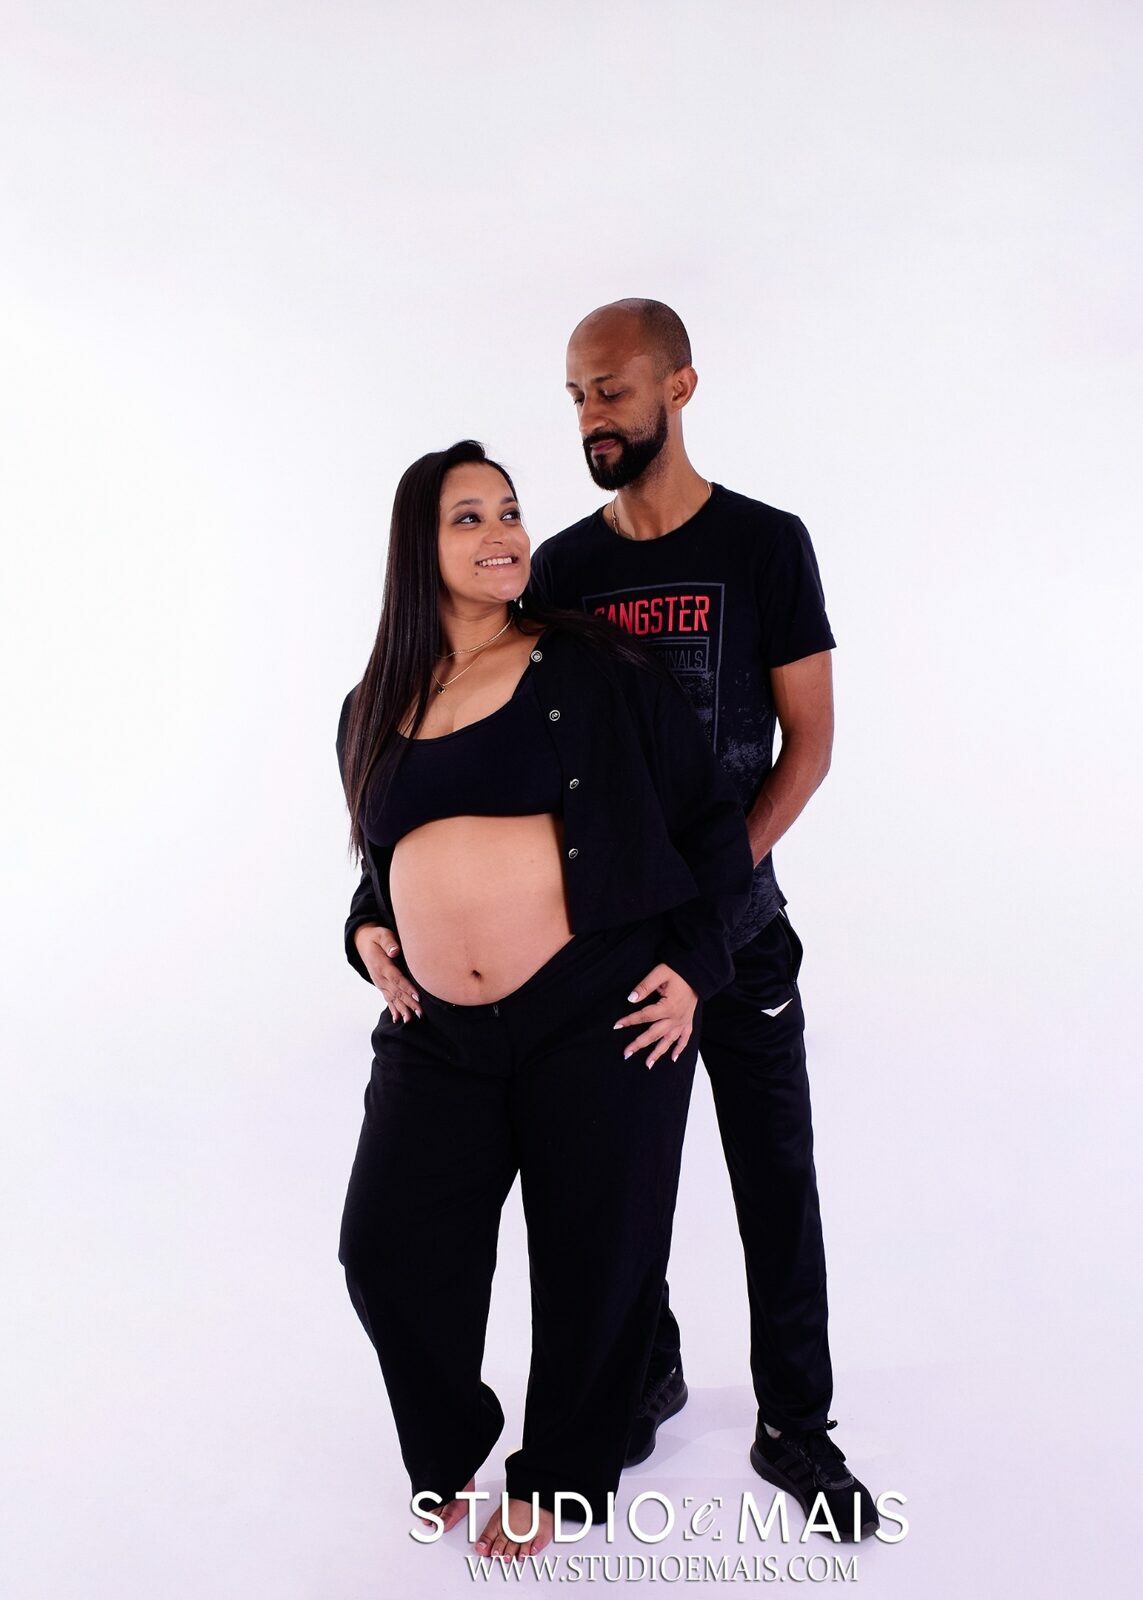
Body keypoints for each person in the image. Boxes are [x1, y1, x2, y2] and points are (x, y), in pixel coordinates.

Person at [335, 439, 753, 1561]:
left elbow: (708, 822)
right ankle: (449, 1445)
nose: (503, 532)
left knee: (594, 1256)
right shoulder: (370, 705)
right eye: (468, 517)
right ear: (417, 549)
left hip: (593, 1009)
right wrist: (364, 930)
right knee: (384, 1248)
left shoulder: (593, 665)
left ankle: (564, 1474)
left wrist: (697, 966)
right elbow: (379, 863)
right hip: (436, 1034)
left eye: (510, 510)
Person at [525, 299, 879, 1541]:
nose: (592, 416)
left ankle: (797, 1423)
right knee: (624, 1187)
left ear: (680, 385)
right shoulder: (562, 572)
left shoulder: (766, 545)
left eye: (613, 389)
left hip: (739, 930)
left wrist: (714, 897)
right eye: (577, 395)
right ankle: (649, 1370)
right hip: (618, 946)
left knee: (775, 1179)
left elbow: (808, 748)